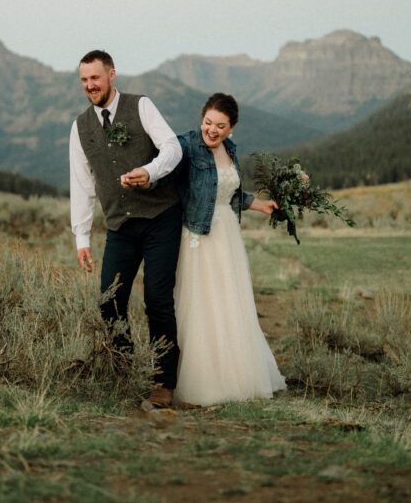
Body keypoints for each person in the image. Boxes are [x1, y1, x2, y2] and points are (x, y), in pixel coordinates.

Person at [69, 50, 183, 407]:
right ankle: (125, 372)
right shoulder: (80, 126)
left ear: (112, 75)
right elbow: (82, 184)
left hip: (161, 218)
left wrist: (151, 171)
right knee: (110, 300)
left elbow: (172, 147)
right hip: (120, 225)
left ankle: (164, 382)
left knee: (157, 300)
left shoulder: (141, 106)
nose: (90, 86)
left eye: (96, 78)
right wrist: (82, 237)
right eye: (85, 80)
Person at [171, 93, 287, 407]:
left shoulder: (229, 149)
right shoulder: (186, 146)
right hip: (199, 235)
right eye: (208, 122)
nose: (212, 130)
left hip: (228, 235)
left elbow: (230, 192)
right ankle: (205, 380)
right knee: (203, 303)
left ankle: (238, 374)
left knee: (230, 300)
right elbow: (163, 169)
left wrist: (260, 204)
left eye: (220, 126)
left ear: (231, 127)